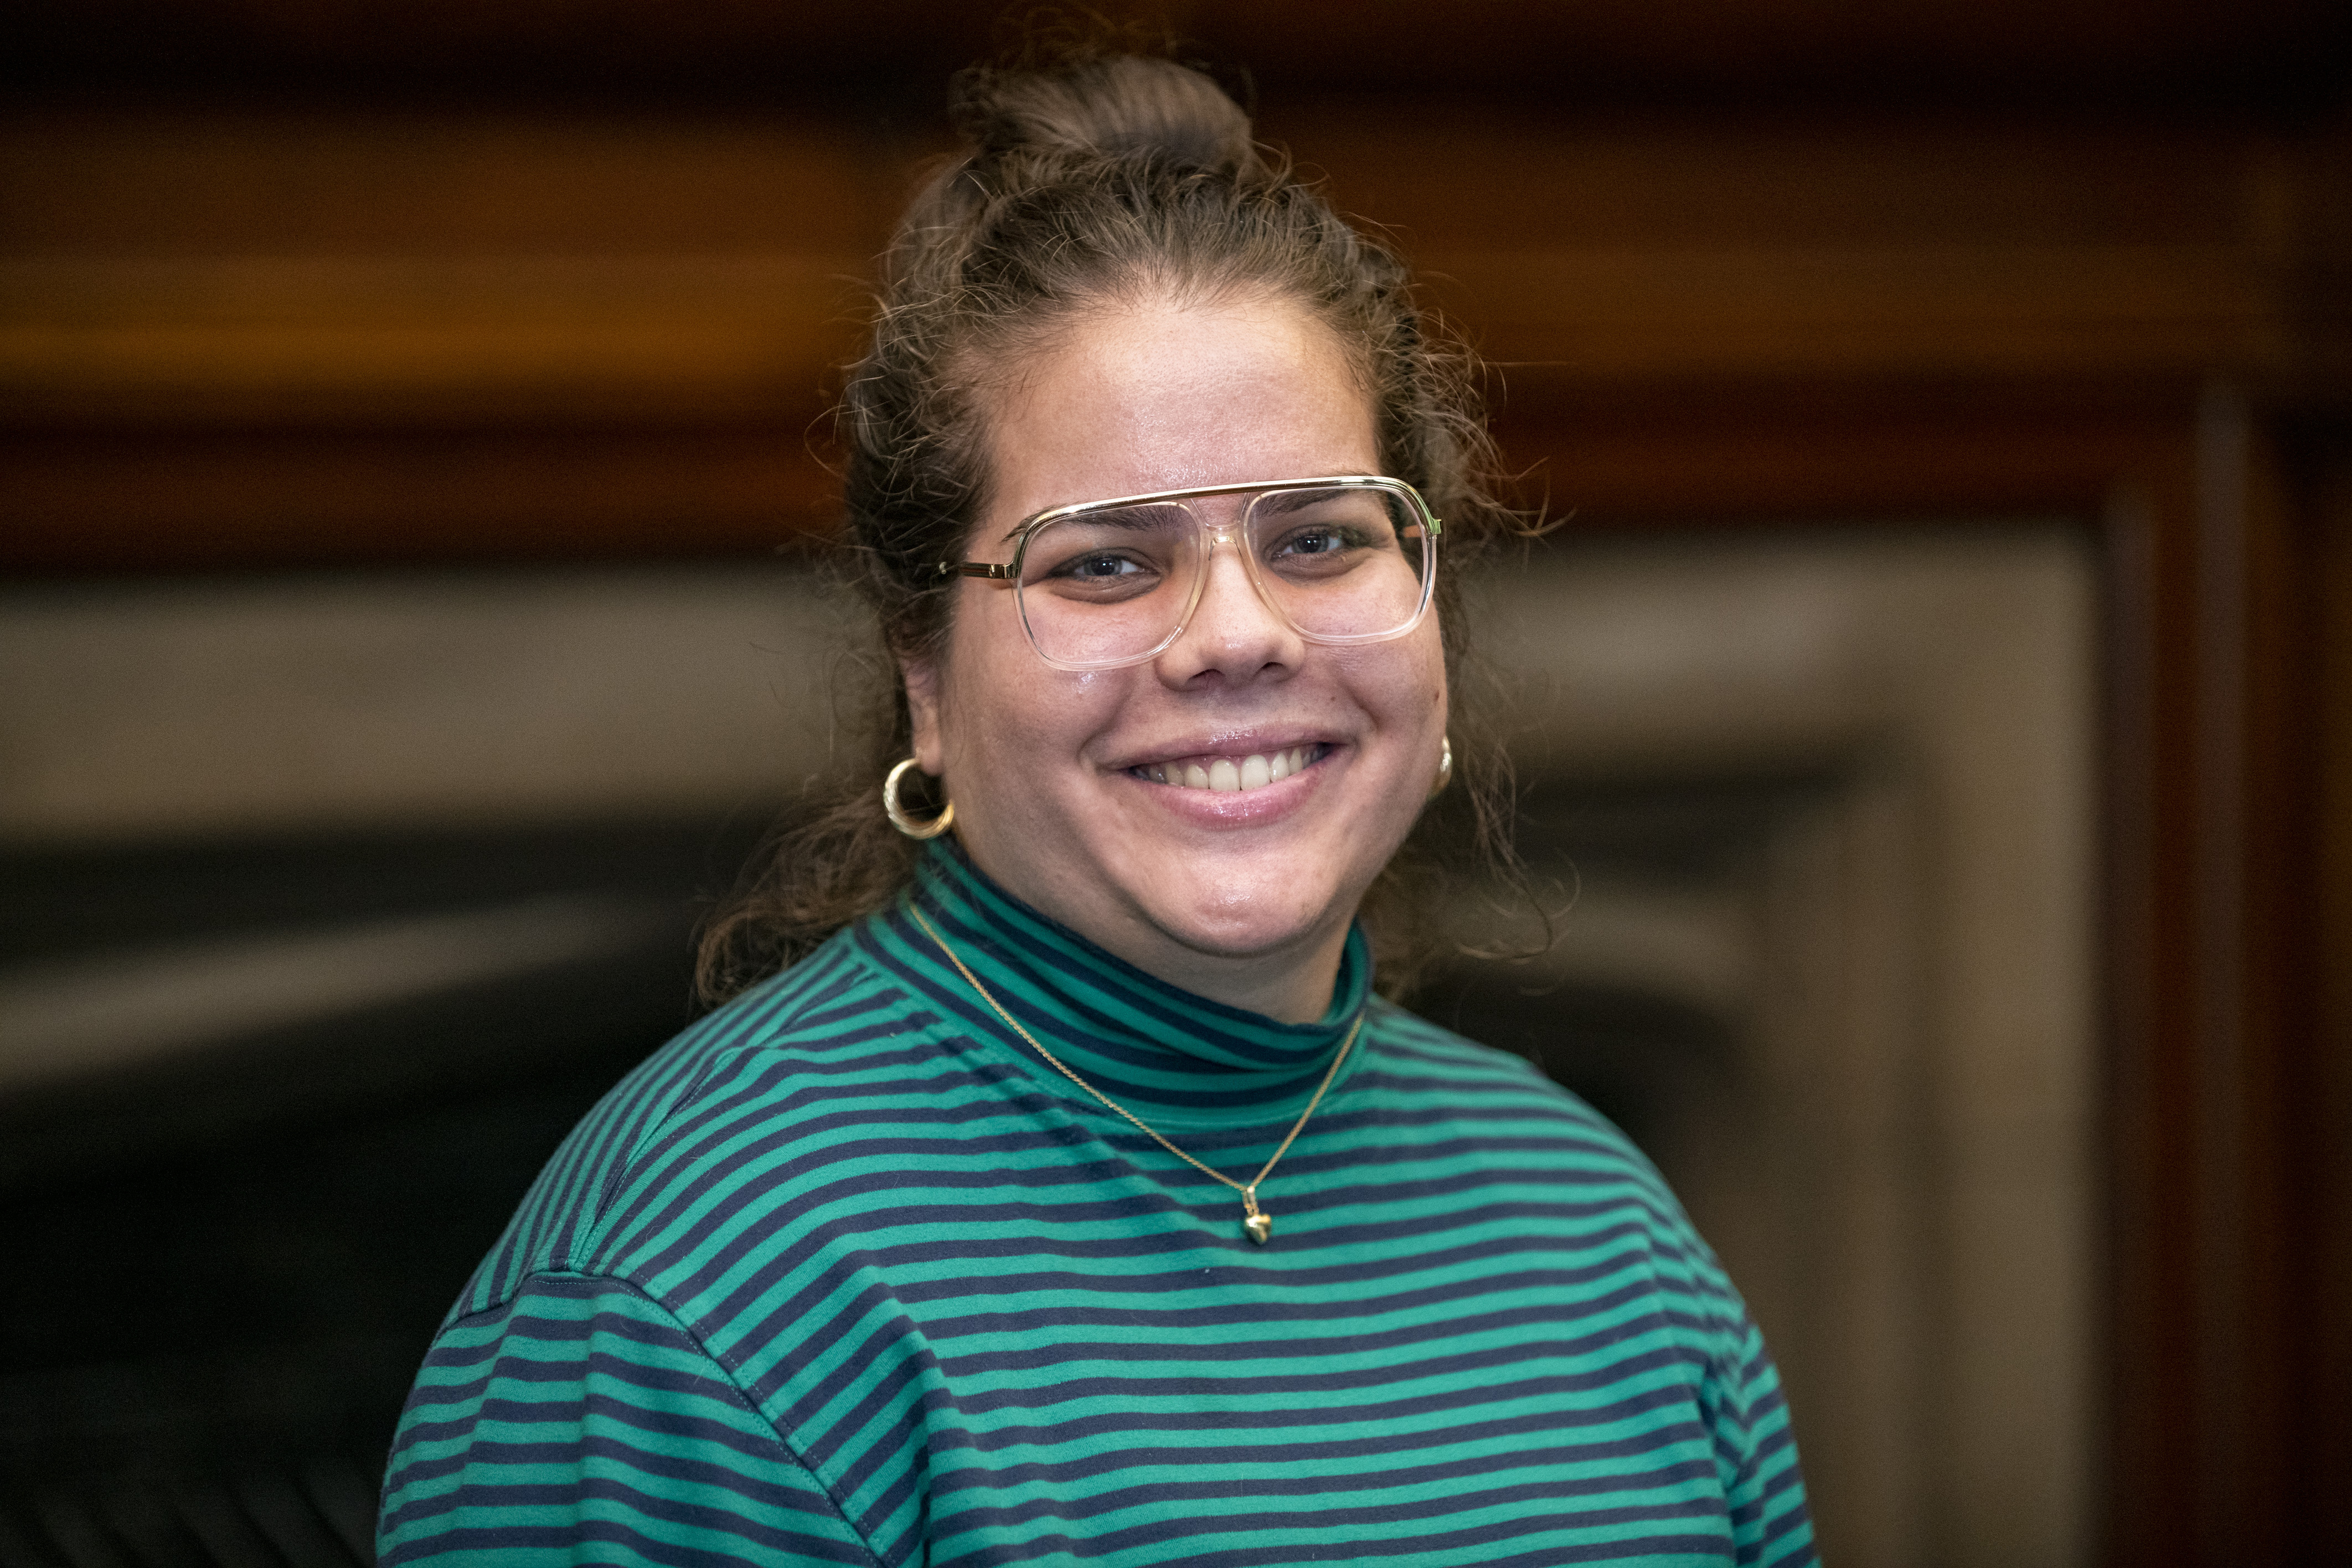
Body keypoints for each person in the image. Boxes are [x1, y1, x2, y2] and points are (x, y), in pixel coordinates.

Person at [378, 49, 1815, 1567]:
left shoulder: (1605, 1234)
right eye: (1104, 563)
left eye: (1322, 538)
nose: (1239, 636)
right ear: (923, 675)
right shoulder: (689, 1300)